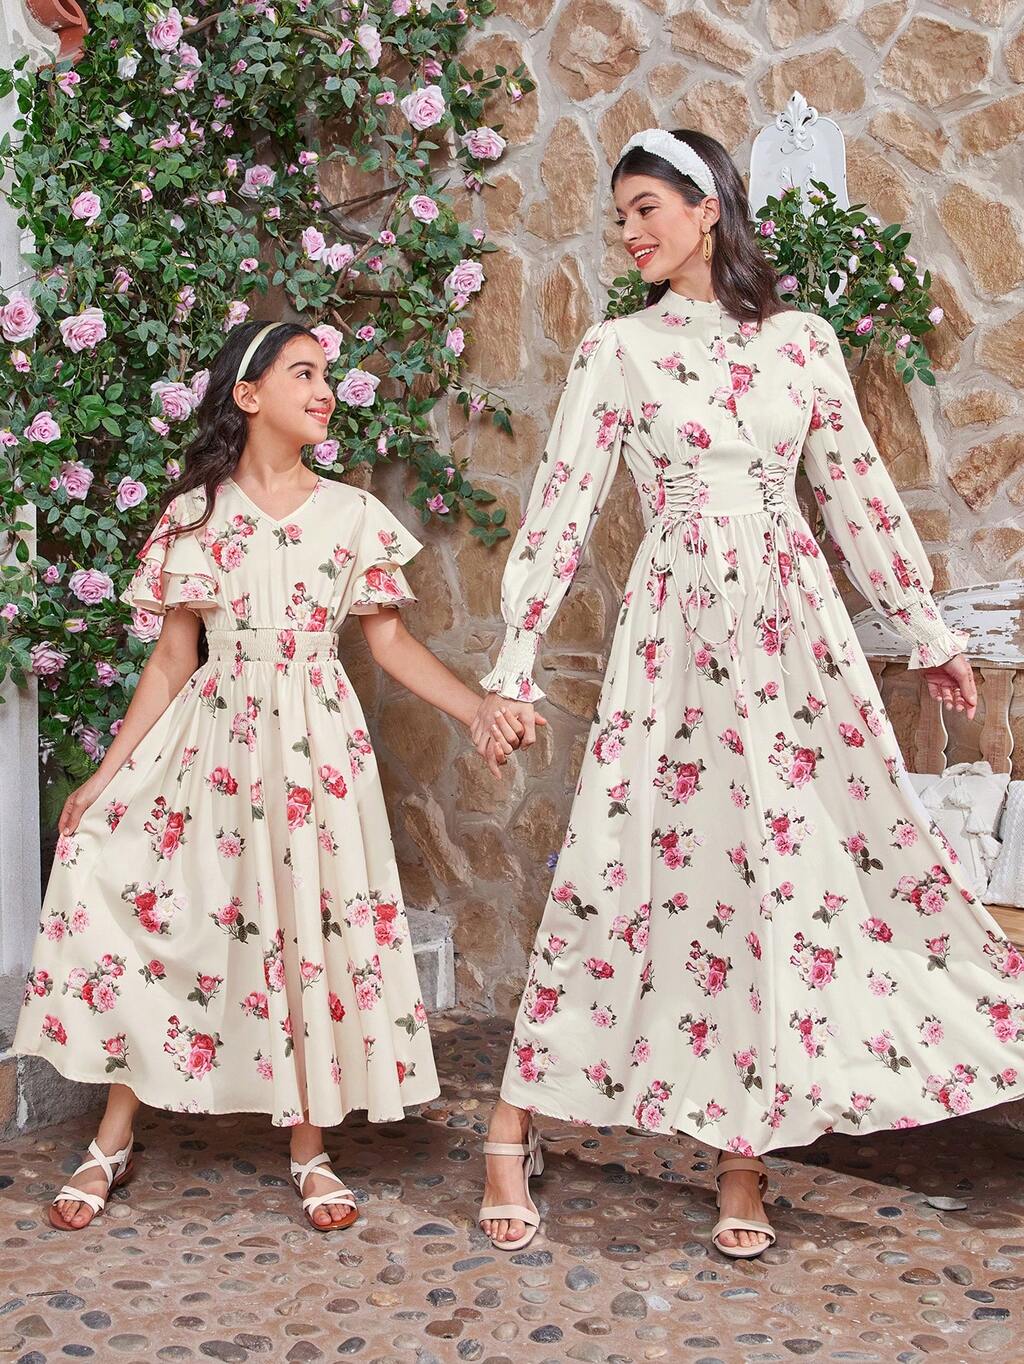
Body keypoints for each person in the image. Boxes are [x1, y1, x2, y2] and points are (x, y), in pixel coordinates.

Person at [472, 128, 1023, 1259]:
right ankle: (510, 1124)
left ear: (707, 206)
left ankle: (742, 1156)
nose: (630, 232)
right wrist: (514, 660)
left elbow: (856, 489)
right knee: (620, 864)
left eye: (645, 208)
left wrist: (925, 633)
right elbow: (563, 503)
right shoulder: (619, 349)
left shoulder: (800, 341)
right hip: (675, 638)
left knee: (778, 883)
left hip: (788, 636)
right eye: (619, 217)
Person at [14, 319, 528, 1232]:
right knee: (174, 912)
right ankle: (113, 1135)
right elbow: (172, 660)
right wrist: (103, 777)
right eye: (304, 373)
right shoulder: (193, 516)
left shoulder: (352, 515)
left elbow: (392, 644)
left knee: (305, 928)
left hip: (315, 750)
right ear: (248, 396)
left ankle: (309, 1146)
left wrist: (477, 706)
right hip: (210, 744)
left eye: (328, 375)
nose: (325, 390)